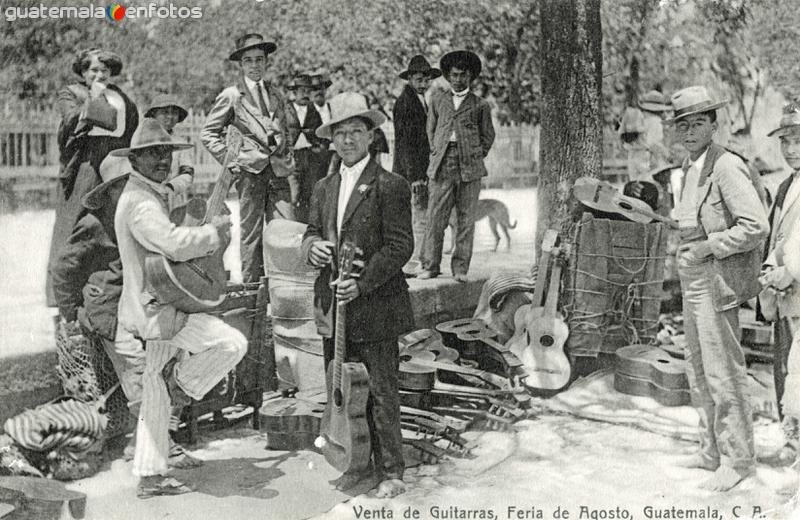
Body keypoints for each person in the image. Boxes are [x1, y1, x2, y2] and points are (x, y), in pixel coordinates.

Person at [114, 119, 247, 498]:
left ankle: (150, 476)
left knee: (154, 384)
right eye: (152, 154)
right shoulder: (140, 203)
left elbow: (178, 217)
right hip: (158, 309)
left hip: (161, 302)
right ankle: (185, 384)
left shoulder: (149, 192)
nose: (161, 160)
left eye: (166, 153)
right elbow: (172, 243)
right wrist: (213, 234)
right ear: (135, 159)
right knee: (231, 344)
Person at [301, 92, 413, 498]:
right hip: (334, 306)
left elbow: (401, 247)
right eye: (340, 134)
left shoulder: (390, 185)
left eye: (356, 132)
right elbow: (311, 230)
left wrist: (362, 284)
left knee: (381, 391)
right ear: (331, 140)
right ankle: (354, 462)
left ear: (371, 135)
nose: (348, 140)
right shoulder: (323, 186)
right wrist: (310, 246)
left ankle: (392, 471)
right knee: (345, 394)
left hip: (376, 305)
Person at [667, 85, 769, 491]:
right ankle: (710, 450)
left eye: (698, 123)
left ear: (714, 124)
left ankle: (738, 459)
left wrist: (708, 248)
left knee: (724, 370)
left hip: (716, 279)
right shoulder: (690, 167)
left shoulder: (726, 166)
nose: (690, 131)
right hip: (692, 278)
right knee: (696, 366)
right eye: (683, 125)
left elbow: (755, 226)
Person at [201, 33, 300, 283]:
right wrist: (231, 159)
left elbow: (288, 127)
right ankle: (252, 290)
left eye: (259, 60)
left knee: (286, 229)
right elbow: (208, 133)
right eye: (249, 60)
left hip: (278, 172)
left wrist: (284, 148)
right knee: (251, 234)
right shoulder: (232, 95)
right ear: (241, 65)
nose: (255, 65)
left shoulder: (275, 93)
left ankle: (283, 288)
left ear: (266, 62)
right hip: (250, 173)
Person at [46, 48, 138, 306]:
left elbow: (130, 127)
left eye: (105, 70)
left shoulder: (121, 97)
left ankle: (103, 293)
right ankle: (64, 299)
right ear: (83, 72)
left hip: (115, 162)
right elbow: (70, 122)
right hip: (85, 164)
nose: (99, 75)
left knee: (111, 223)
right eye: (94, 70)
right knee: (76, 222)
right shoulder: (72, 93)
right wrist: (94, 99)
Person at [418, 50, 495, 282]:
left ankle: (460, 269)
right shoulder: (438, 100)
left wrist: (474, 153)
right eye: (454, 75)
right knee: (435, 217)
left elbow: (488, 136)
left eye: (463, 75)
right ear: (448, 76)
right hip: (442, 165)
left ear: (470, 77)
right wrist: (437, 151)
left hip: (470, 168)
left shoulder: (480, 105)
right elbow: (430, 130)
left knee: (465, 219)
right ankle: (430, 265)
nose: (458, 79)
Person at [759, 103, 800, 464]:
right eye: (786, 141)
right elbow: (780, 237)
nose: (791, 149)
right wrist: (771, 266)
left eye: (798, 140)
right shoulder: (787, 185)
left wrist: (791, 270)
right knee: (784, 368)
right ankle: (791, 444)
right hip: (785, 296)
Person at [392, 55, 441, 277]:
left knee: (418, 217)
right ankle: (410, 264)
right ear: (410, 78)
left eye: (426, 80)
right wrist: (415, 177)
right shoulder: (406, 103)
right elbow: (406, 144)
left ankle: (415, 262)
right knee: (417, 218)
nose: (423, 84)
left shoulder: (419, 100)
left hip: (417, 170)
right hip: (411, 173)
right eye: (419, 79)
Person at [144, 95, 195, 208]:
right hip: (146, 195)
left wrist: (172, 187)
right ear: (154, 115)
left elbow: (188, 173)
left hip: (172, 197)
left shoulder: (180, 143)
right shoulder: (143, 141)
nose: (170, 117)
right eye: (165, 112)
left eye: (174, 113)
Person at [286, 74, 324, 223]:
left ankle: (305, 229)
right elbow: (278, 133)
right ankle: (291, 227)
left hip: (311, 157)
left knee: (309, 195)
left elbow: (321, 131)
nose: (305, 94)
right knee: (293, 196)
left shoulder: (313, 110)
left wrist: (320, 148)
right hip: (292, 158)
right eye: (301, 91)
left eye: (308, 91)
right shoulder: (286, 110)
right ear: (294, 93)